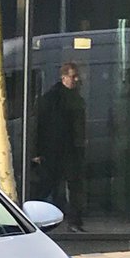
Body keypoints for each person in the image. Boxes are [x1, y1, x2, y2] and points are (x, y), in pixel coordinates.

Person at [33, 61, 87, 231]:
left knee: (70, 185)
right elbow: (39, 125)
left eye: (77, 76)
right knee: (50, 185)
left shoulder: (74, 97)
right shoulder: (52, 99)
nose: (76, 80)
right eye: (73, 76)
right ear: (63, 77)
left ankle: (73, 221)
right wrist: (36, 151)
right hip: (55, 149)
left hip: (69, 149)